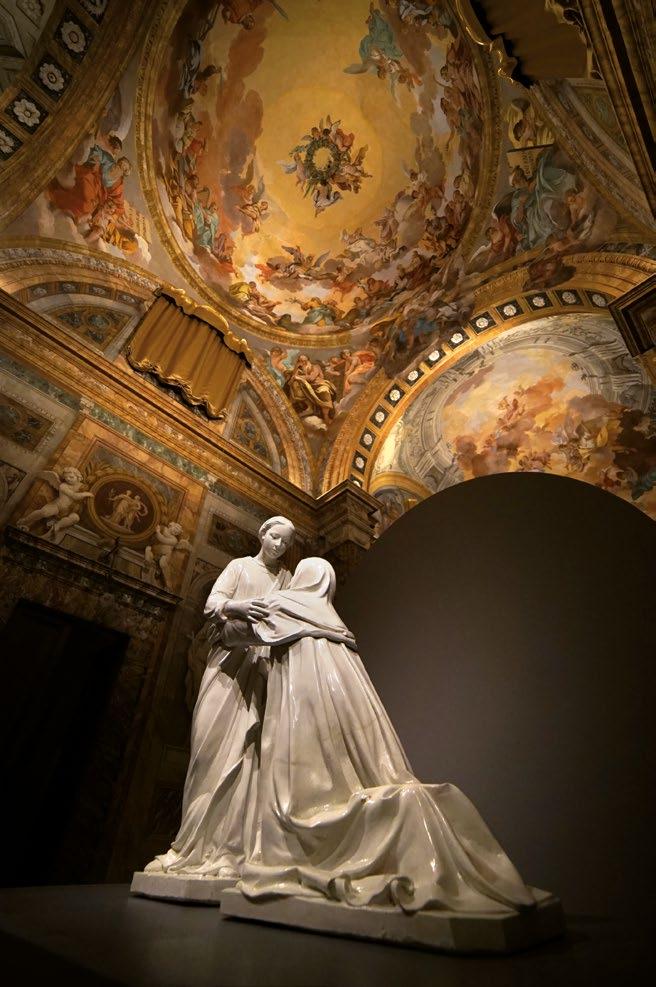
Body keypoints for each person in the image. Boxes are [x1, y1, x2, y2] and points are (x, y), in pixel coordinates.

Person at [235, 557, 536, 914]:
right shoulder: (332, 620)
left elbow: (230, 632)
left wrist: (228, 608)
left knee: (299, 781)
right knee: (389, 787)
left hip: (300, 709)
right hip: (340, 710)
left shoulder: (285, 603)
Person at [144, 515, 295, 880]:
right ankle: (189, 845)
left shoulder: (286, 580)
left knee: (248, 755)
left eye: (286, 543)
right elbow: (212, 603)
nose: (279, 546)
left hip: (260, 671)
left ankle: (231, 849)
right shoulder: (240, 566)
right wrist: (239, 607)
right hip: (227, 664)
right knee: (207, 750)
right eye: (275, 537)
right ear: (263, 534)